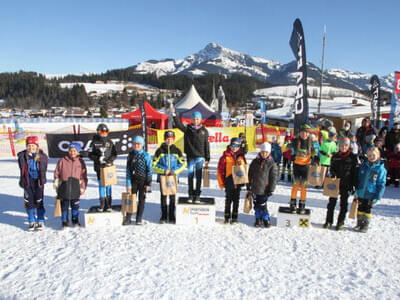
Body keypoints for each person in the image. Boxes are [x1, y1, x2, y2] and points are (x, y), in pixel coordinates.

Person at [171, 108, 210, 203]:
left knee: (199, 177)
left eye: (197, 119)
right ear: (191, 120)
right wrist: (174, 114)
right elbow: (178, 125)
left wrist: (207, 157)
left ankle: (197, 195)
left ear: (200, 120)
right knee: (190, 176)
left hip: (200, 157)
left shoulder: (204, 131)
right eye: (194, 119)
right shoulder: (187, 129)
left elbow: (206, 144)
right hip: (190, 156)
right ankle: (190, 194)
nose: (195, 121)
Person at [323, 137, 358, 230]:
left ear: (349, 146)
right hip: (335, 183)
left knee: (344, 204)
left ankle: (340, 222)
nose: (343, 147)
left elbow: (355, 172)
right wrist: (333, 175)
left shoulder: (353, 157)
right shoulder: (335, 156)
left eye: (346, 145)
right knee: (331, 203)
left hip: (346, 183)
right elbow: (332, 168)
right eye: (342, 145)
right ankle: (328, 221)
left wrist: (354, 185)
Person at [153, 130, 186, 224]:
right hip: (163, 177)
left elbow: (183, 164)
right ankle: (163, 215)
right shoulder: (159, 150)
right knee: (163, 197)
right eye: (167, 139)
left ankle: (172, 215)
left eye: (171, 139)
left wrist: (174, 170)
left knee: (172, 196)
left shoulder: (177, 151)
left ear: (174, 140)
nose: (169, 141)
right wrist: (164, 170)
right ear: (164, 139)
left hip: (173, 177)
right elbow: (154, 164)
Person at [17, 136, 48, 231]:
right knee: (29, 202)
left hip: (38, 182)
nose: (31, 148)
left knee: (39, 201)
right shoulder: (23, 156)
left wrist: (38, 157)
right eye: (29, 146)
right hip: (27, 181)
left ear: (37, 146)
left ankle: (40, 219)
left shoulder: (42, 156)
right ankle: (31, 220)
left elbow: (44, 169)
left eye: (33, 145)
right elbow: (21, 165)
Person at [54, 142, 88, 228]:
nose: (72, 152)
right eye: (70, 150)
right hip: (64, 186)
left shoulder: (80, 162)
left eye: (74, 151)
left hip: (76, 186)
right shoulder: (62, 161)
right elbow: (57, 172)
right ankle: (64, 221)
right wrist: (56, 181)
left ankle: (75, 219)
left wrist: (82, 186)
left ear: (78, 152)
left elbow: (83, 175)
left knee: (75, 205)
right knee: (64, 206)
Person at [354, 147, 386, 232]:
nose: (371, 157)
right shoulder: (363, 166)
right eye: (369, 155)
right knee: (360, 208)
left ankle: (365, 225)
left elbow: (381, 184)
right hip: (361, 192)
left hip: (371, 193)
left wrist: (378, 197)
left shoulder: (380, 169)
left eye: (373, 155)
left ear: (378, 156)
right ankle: (359, 223)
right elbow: (359, 179)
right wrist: (356, 190)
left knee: (367, 209)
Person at [289, 124, 318, 214]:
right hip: (297, 166)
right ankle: (293, 203)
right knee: (295, 185)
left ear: (309, 134)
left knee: (304, 187)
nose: (304, 134)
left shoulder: (311, 142)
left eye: (306, 132)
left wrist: (316, 157)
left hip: (306, 167)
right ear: (300, 133)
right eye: (302, 132)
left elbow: (315, 152)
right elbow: (286, 148)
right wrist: (291, 154)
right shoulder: (295, 141)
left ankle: (302, 204)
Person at [88, 123, 117, 212]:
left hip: (108, 167)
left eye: (106, 131)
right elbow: (89, 154)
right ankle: (102, 204)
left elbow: (114, 154)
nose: (104, 133)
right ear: (98, 132)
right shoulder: (94, 142)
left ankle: (109, 204)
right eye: (102, 131)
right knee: (101, 185)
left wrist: (109, 161)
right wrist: (98, 159)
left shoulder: (110, 142)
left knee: (108, 185)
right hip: (99, 167)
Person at [217, 137, 247, 224]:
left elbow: (244, 169)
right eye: (233, 145)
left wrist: (240, 163)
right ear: (230, 145)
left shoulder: (241, 157)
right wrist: (221, 183)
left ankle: (234, 217)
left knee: (236, 200)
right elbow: (220, 170)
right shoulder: (225, 157)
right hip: (229, 180)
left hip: (238, 180)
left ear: (239, 147)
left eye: (237, 146)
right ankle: (227, 216)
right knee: (228, 199)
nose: (234, 147)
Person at [248, 142, 277, 227]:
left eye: (266, 152)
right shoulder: (255, 162)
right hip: (255, 187)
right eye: (263, 152)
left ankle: (266, 218)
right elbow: (250, 174)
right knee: (256, 205)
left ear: (269, 153)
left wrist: (271, 189)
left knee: (263, 205)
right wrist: (248, 184)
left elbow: (273, 178)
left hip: (265, 189)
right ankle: (258, 219)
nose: (264, 154)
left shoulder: (271, 164)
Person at [125, 136, 153, 225]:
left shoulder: (146, 155)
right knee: (131, 199)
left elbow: (149, 170)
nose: (136, 146)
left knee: (141, 199)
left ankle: (139, 218)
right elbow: (128, 170)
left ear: (142, 145)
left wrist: (148, 183)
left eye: (139, 144)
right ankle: (128, 217)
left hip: (143, 181)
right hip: (133, 181)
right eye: (135, 144)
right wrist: (128, 183)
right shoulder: (131, 155)